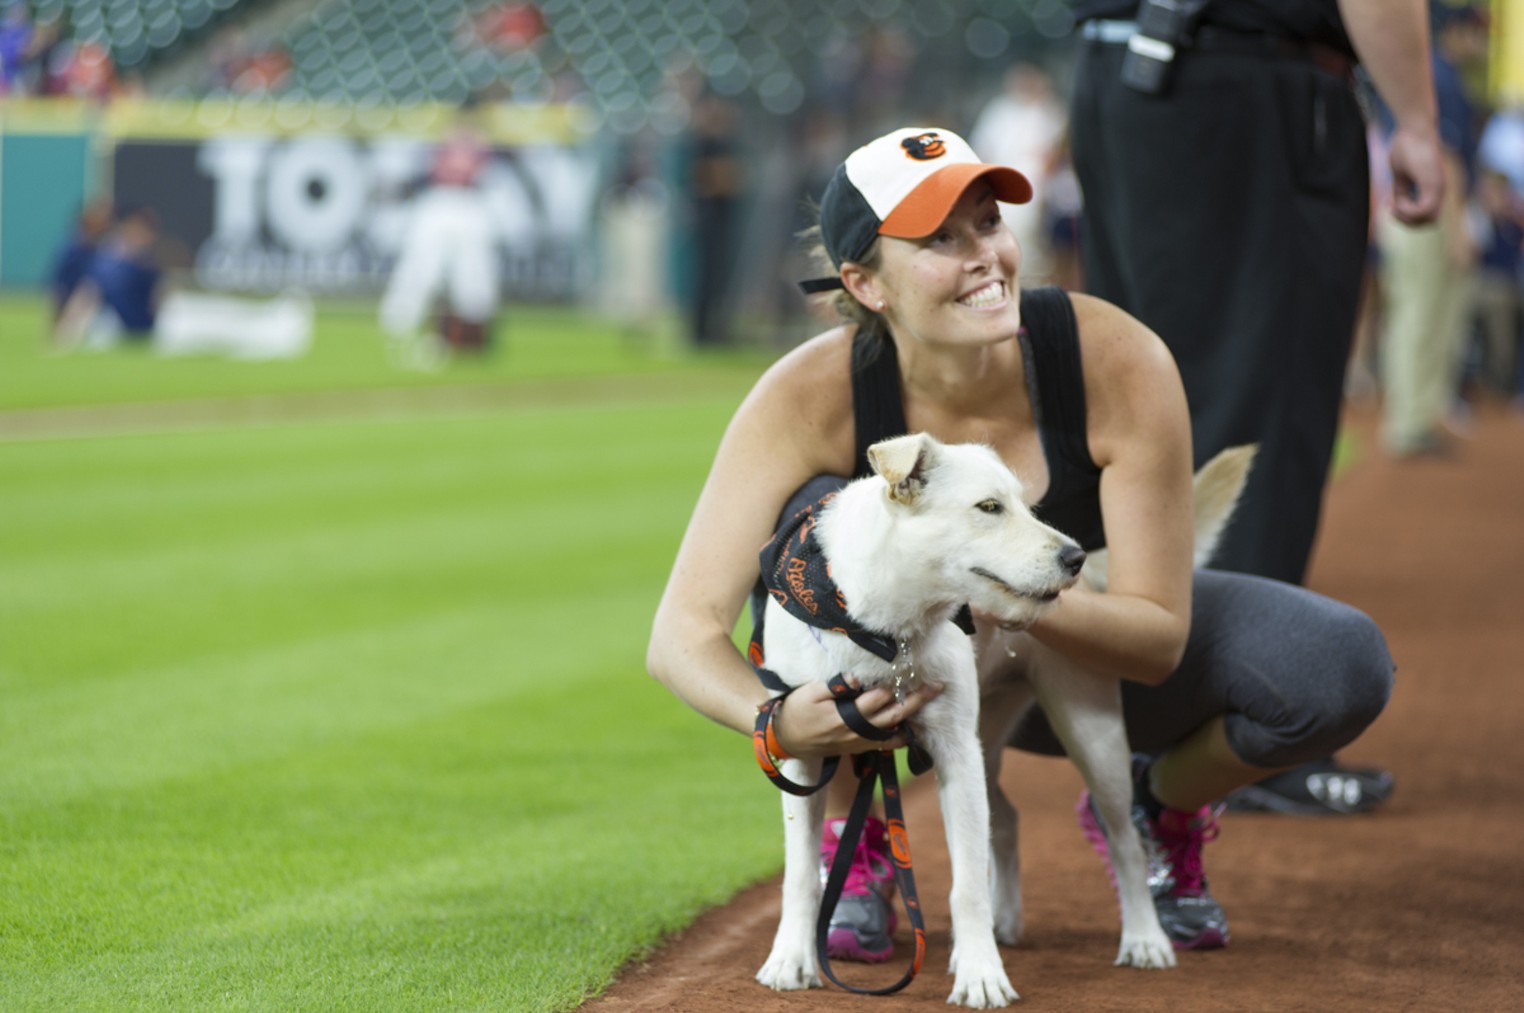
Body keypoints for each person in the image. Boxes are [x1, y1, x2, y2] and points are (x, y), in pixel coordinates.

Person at [647, 127, 1395, 959]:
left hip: (1081, 654)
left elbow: (1155, 641)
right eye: (939, 239)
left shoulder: (1114, 356)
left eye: (990, 222)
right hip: (897, 687)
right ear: (865, 282)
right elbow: (681, 633)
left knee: (1338, 667)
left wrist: (997, 591)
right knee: (828, 514)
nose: (985, 256)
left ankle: (1163, 801)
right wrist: (776, 718)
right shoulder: (807, 395)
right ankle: (854, 849)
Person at [1065, 0, 1446, 815]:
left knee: (1145, 397)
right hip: (1249, 83)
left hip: (1116, 78)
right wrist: (1414, 117)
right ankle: (1236, 722)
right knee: (1259, 398)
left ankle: (1136, 709)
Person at [1376, 2, 1487, 456]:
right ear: (1456, 31)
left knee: (1424, 315)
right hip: (1428, 211)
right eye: (1476, 33)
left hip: (1418, 209)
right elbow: (1450, 161)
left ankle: (1419, 416)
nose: (1481, 43)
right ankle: (1408, 425)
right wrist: (1459, 228)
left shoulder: (1440, 74)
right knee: (1420, 315)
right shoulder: (1437, 75)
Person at [379, 99, 502, 366]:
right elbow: (427, 174)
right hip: (439, 200)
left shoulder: (483, 140)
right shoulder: (444, 138)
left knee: (473, 271)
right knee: (420, 265)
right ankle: (400, 320)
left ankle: (473, 327)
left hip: (469, 201)